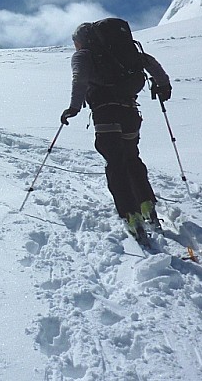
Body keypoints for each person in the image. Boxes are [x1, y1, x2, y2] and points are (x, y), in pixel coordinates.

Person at [60, 22, 172, 241]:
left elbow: (79, 80)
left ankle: (131, 215)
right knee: (132, 156)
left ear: (82, 40)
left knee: (115, 163)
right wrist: (163, 86)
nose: (75, 46)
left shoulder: (84, 55)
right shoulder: (124, 50)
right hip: (130, 112)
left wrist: (74, 107)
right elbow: (151, 64)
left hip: (105, 113)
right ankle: (146, 204)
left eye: (75, 42)